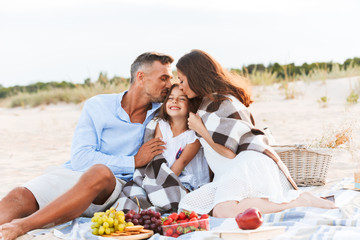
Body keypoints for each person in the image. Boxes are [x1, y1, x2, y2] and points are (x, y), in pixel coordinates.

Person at [0, 52, 173, 240]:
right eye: (163, 78)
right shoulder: (98, 105)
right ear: (141, 77)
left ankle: (22, 226)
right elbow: (81, 158)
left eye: (170, 79)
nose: (169, 85)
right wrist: (133, 161)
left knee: (99, 172)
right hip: (73, 174)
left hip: (112, 184)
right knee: (20, 195)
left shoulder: (165, 111)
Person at [176, 49, 336, 218]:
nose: (180, 86)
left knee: (223, 211)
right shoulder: (208, 104)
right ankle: (297, 200)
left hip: (247, 164)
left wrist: (200, 128)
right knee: (190, 205)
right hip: (232, 171)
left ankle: (299, 201)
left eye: (181, 80)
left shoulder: (222, 103)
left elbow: (228, 153)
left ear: (195, 76)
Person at [154, 84, 209, 191]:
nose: (174, 101)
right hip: (165, 174)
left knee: (176, 194)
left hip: (191, 181)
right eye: (170, 98)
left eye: (182, 99)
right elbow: (157, 155)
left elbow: (182, 162)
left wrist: (163, 186)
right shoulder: (161, 125)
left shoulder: (193, 134)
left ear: (191, 105)